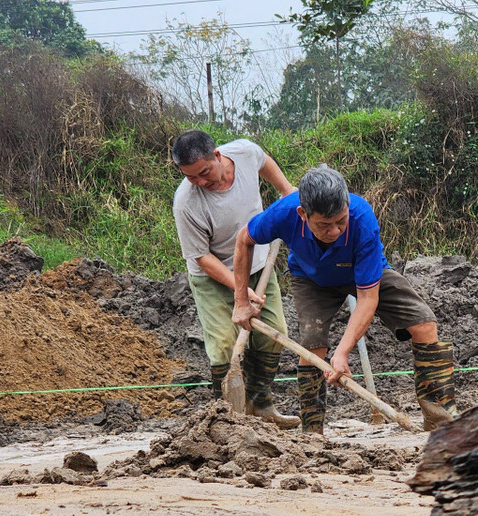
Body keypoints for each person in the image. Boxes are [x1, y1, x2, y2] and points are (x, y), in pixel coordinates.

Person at [231, 165, 458, 435]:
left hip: (360, 273)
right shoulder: (283, 213)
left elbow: (367, 298)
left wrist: (342, 353)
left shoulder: (362, 219)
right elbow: (244, 240)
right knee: (313, 347)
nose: (335, 231)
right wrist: (241, 300)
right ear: (303, 215)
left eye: (341, 221)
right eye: (324, 225)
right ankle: (312, 435)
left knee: (423, 324)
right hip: (311, 278)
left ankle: (441, 423)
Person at [171, 129, 299, 428]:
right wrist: (240, 292)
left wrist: (285, 189)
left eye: (204, 172)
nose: (200, 182)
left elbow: (263, 160)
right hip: (212, 277)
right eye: (191, 177)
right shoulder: (186, 202)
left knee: (273, 332)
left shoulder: (243, 152)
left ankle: (261, 406)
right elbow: (201, 257)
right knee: (225, 345)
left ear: (217, 156)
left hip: (256, 264)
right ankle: (225, 421)